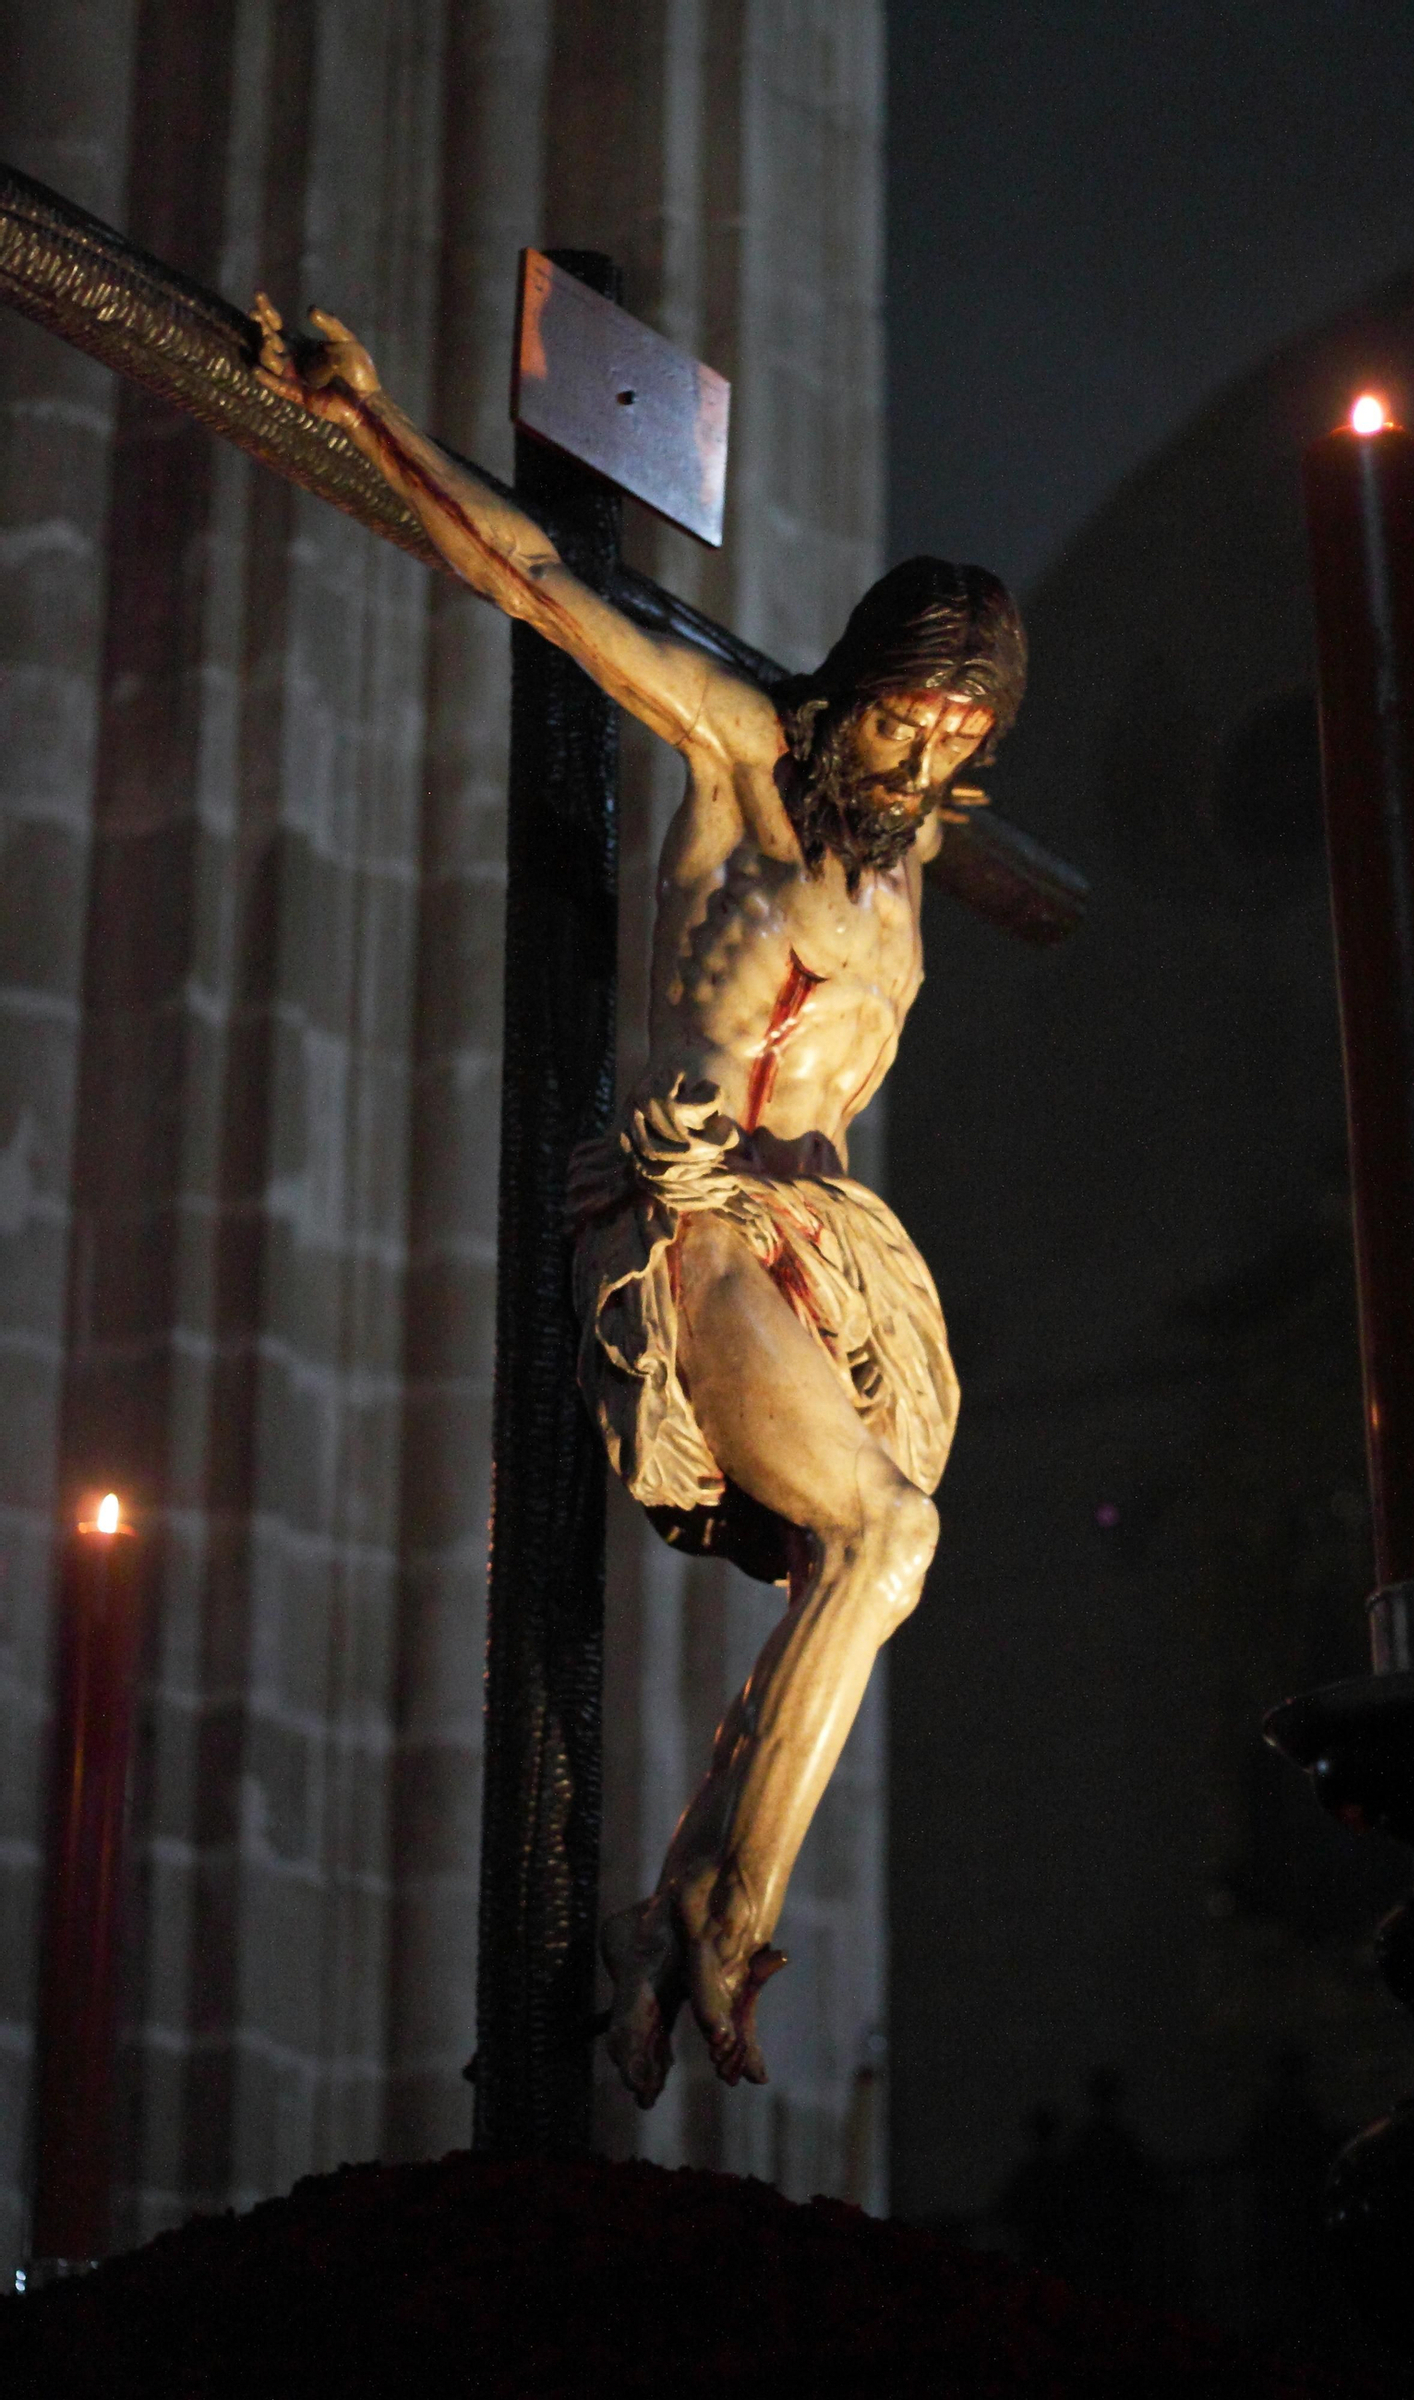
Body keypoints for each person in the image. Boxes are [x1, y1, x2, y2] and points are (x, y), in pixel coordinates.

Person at [254, 298, 1026, 2104]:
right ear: (856, 681)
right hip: (691, 1214)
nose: (913, 770)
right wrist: (369, 415)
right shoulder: (746, 757)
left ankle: (692, 1888)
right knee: (885, 1541)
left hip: (830, 1245)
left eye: (949, 744)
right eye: (902, 723)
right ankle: (713, 1917)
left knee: (877, 1555)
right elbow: (539, 574)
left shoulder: (915, 863)